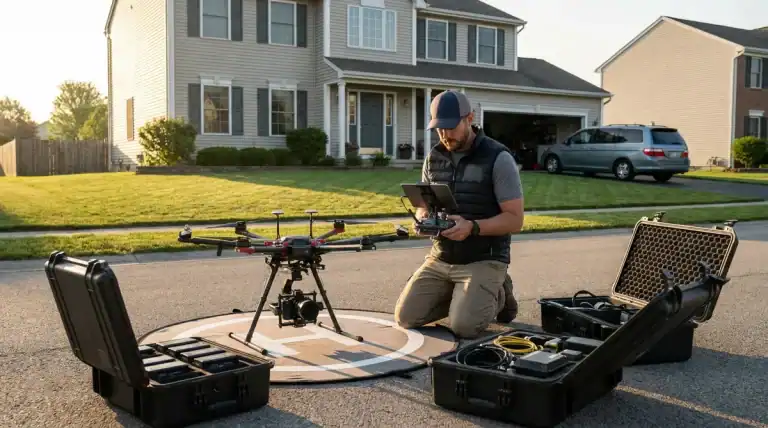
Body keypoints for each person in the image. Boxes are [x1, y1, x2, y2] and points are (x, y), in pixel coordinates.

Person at [394, 90, 524, 339]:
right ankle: (466, 297)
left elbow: (515, 220)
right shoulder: (434, 157)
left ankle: (498, 291)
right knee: (406, 318)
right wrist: (423, 219)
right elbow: (424, 204)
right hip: (441, 257)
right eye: (438, 129)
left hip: (483, 258)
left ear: (470, 118)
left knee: (464, 327)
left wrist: (472, 227)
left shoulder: (498, 157)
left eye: (451, 127)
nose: (444, 135)